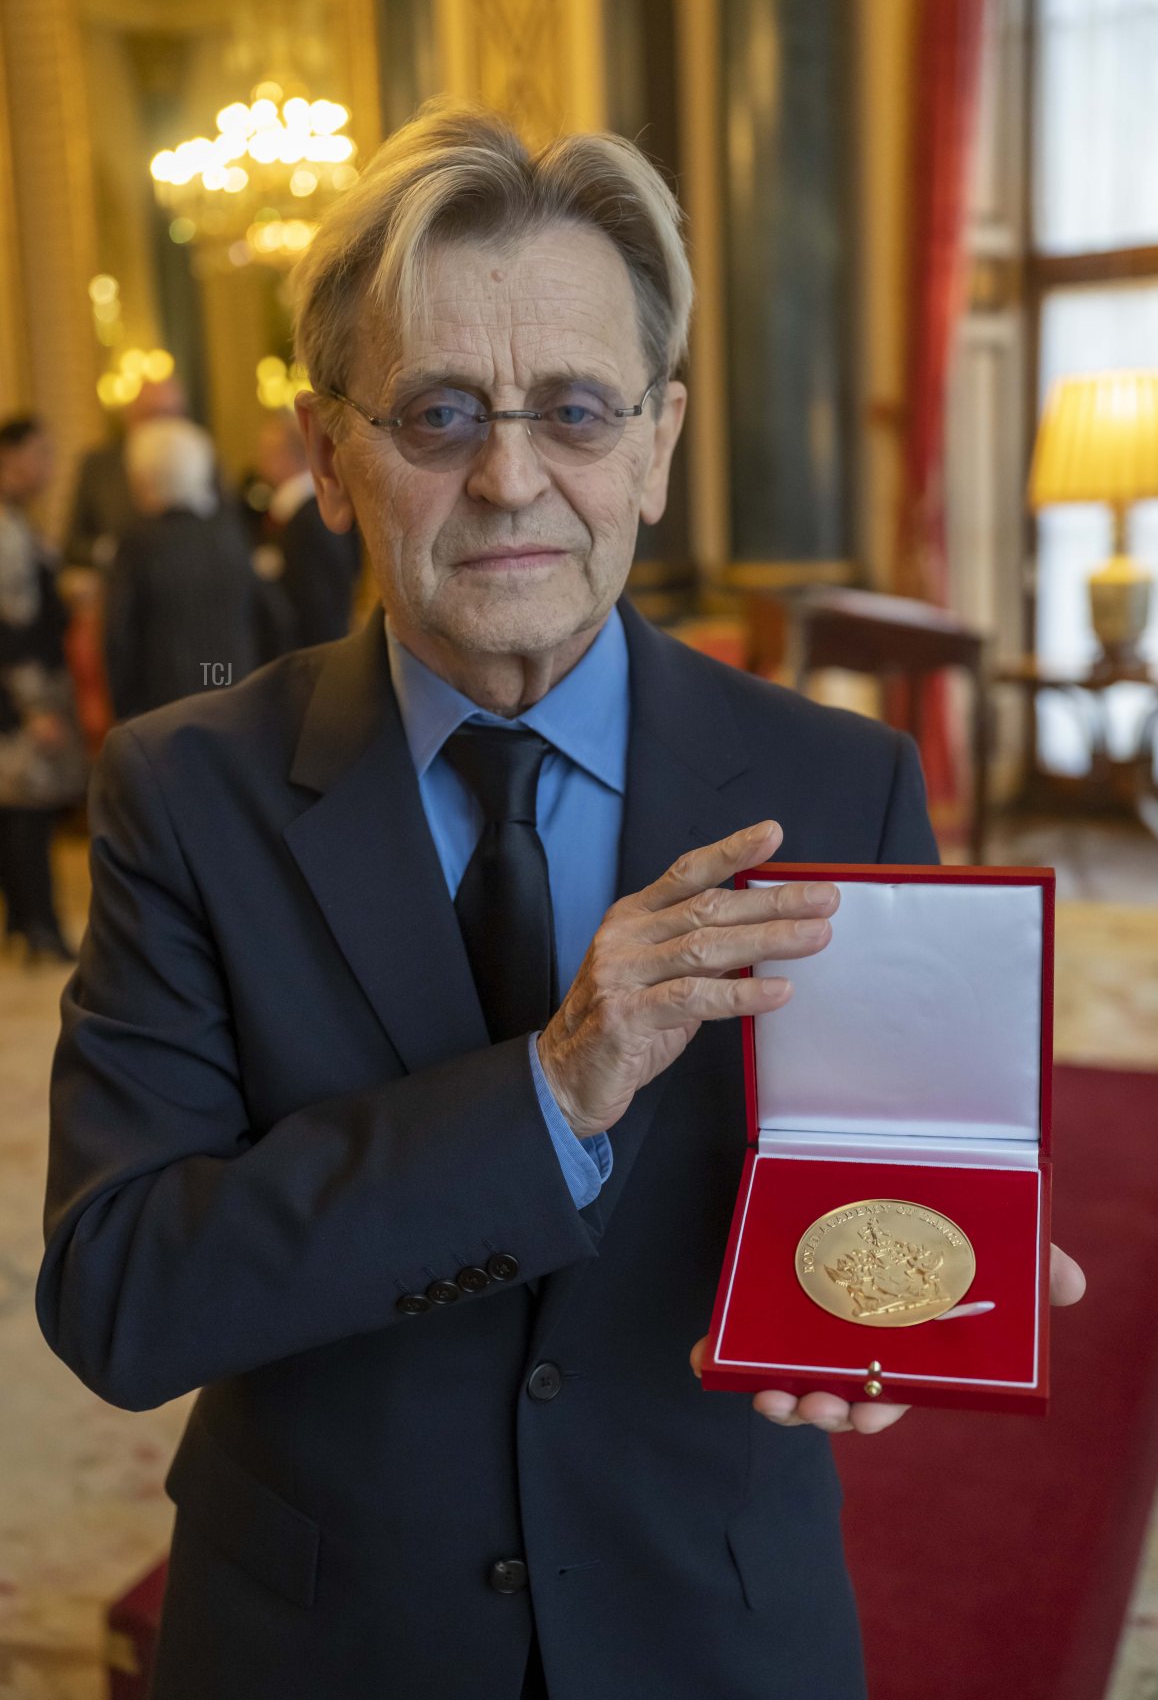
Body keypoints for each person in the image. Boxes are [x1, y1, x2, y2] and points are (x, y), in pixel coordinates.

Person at [38, 104, 1084, 1700]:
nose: (512, 477)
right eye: (440, 413)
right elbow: (121, 1295)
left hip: (715, 1624)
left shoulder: (837, 784)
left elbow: (878, 1190)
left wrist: (917, 1301)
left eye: (575, 411)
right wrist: (544, 1090)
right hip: (322, 1639)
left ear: (657, 446)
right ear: (330, 457)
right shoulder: (185, 796)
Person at [103, 417, 271, 719]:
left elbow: (119, 637)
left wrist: (124, 710)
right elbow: (270, 614)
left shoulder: (138, 543)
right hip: (237, 698)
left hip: (166, 710)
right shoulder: (229, 532)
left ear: (143, 478)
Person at [0, 416, 86, 962]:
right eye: (41, 456)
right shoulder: (6, 530)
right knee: (27, 809)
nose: (49, 469)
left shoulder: (19, 521)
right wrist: (31, 707)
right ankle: (40, 928)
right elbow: (12, 631)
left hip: (22, 691)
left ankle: (26, 923)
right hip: (21, 693)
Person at [258, 408, 361, 646]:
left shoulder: (310, 519)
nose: (260, 460)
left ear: (283, 455)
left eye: (267, 451)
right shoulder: (299, 511)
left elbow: (322, 608)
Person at [63, 376, 188, 571]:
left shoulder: (200, 462)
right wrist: (113, 551)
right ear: (130, 417)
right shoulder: (99, 466)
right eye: (152, 414)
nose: (160, 425)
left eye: (169, 415)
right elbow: (74, 544)